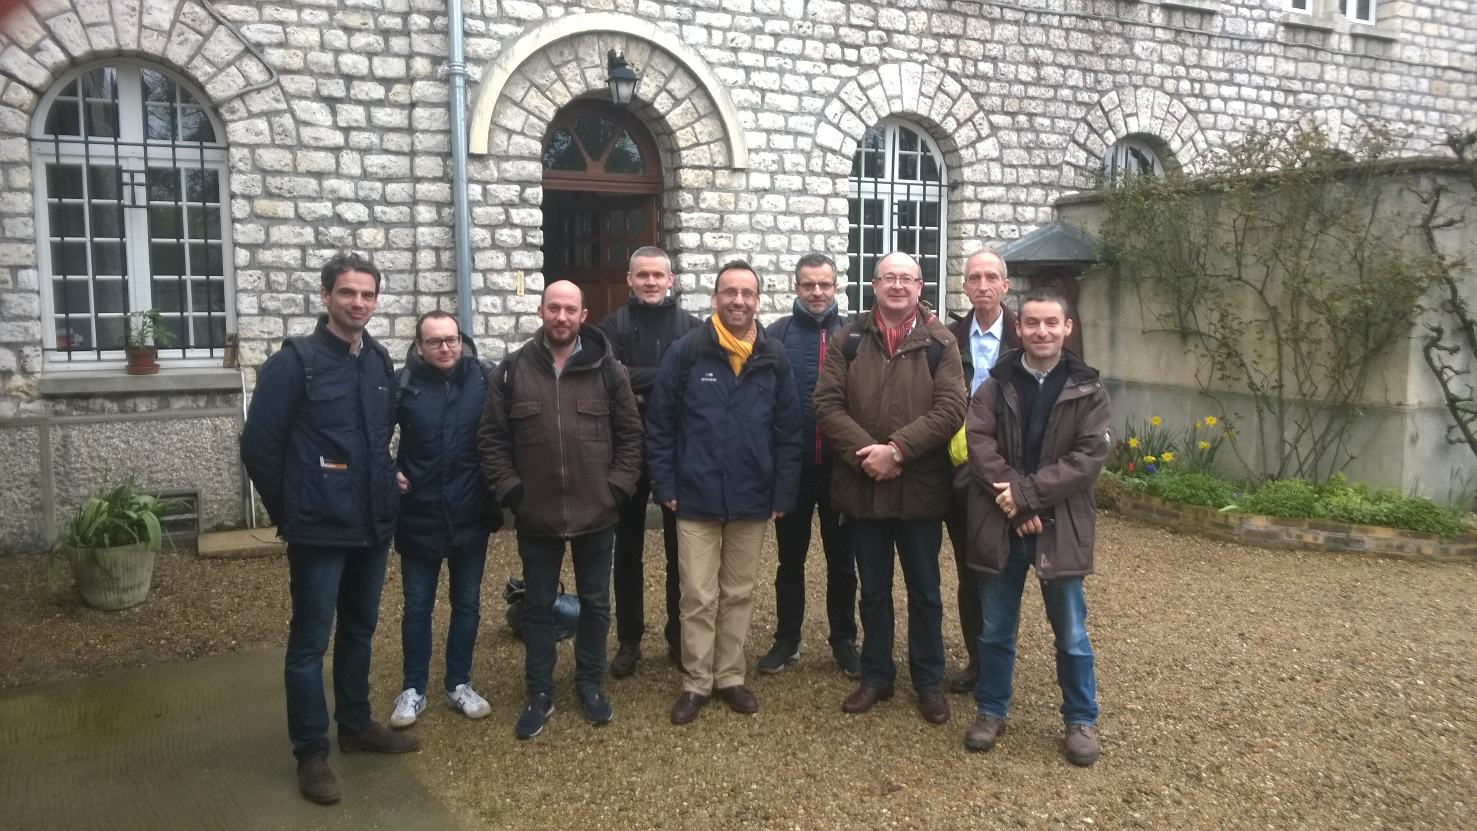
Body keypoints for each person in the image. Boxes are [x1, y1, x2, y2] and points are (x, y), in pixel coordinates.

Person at [240, 252, 417, 805]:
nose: (358, 303)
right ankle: (312, 751)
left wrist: (389, 479)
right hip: (318, 529)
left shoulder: (378, 361)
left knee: (360, 630)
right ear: (325, 297)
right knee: (309, 643)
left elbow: (376, 438)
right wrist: (289, 510)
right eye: (347, 293)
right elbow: (259, 447)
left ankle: (357, 725)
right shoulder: (296, 362)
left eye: (367, 294)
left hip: (370, 525)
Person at [477, 280, 644, 739]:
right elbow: (492, 440)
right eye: (554, 308)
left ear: (583, 315)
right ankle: (539, 692)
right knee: (537, 606)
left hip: (597, 512)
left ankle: (590, 684)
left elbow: (631, 438)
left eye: (571, 309)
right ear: (540, 311)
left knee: (595, 604)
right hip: (537, 514)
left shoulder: (609, 371)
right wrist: (512, 492)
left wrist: (616, 489)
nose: (562, 317)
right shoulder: (512, 371)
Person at [812, 251, 966, 726]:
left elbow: (951, 408)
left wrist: (897, 451)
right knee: (873, 590)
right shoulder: (850, 338)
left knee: (925, 592)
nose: (897, 286)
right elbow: (826, 404)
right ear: (874, 285)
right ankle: (876, 675)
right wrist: (870, 455)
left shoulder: (941, 342)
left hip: (919, 490)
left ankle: (928, 681)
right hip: (863, 488)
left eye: (907, 278)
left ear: (921, 287)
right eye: (888, 278)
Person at [646, 260, 803, 725]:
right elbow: (661, 424)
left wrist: (782, 493)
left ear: (758, 299)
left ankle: (730, 676)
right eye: (729, 292)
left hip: (753, 497)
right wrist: (666, 484)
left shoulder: (773, 357)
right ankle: (696, 682)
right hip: (695, 496)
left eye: (747, 293)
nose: (738, 300)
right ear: (715, 298)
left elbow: (788, 431)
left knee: (738, 592)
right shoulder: (688, 352)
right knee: (697, 594)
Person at [963, 286, 1110, 766]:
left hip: (1059, 525)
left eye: (1051, 323)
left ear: (1067, 327)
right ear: (1018, 326)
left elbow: (1086, 459)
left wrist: (1025, 498)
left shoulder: (1088, 389)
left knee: (1070, 633)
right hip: (1003, 524)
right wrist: (1017, 506)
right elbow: (980, 444)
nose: (1041, 331)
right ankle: (990, 709)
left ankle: (1081, 718)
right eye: (1031, 323)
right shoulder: (995, 382)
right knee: (995, 629)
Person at [387, 311, 500, 729]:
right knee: (417, 606)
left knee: (466, 604)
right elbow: (372, 432)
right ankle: (413, 688)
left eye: (451, 339)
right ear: (419, 346)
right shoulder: (402, 385)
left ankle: (459, 682)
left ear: (461, 340)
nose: (445, 348)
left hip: (471, 511)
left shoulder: (483, 379)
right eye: (435, 341)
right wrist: (387, 471)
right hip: (419, 513)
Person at [597, 246, 703, 678]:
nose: (651, 282)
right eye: (643, 275)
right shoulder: (611, 326)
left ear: (671, 279)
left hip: (680, 449)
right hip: (626, 448)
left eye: (658, 275)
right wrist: (665, 375)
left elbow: (691, 383)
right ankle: (629, 640)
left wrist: (636, 377)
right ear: (630, 279)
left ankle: (680, 638)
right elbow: (610, 378)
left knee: (683, 551)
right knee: (628, 550)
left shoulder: (693, 328)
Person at [756, 253, 860, 678]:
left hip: (840, 469)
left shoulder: (855, 335)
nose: (817, 293)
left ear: (837, 287)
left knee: (842, 562)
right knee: (790, 560)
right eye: (808, 285)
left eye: (824, 285)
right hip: (794, 468)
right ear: (795, 287)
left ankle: (844, 641)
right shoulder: (776, 335)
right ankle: (787, 639)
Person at [944, 250, 1020, 694]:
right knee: (969, 568)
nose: (983, 285)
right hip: (960, 470)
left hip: (1009, 471)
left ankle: (998, 661)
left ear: (1005, 286)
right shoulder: (950, 338)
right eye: (975, 278)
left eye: (992, 277)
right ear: (966, 287)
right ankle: (977, 660)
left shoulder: (1023, 335)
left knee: (1003, 569)